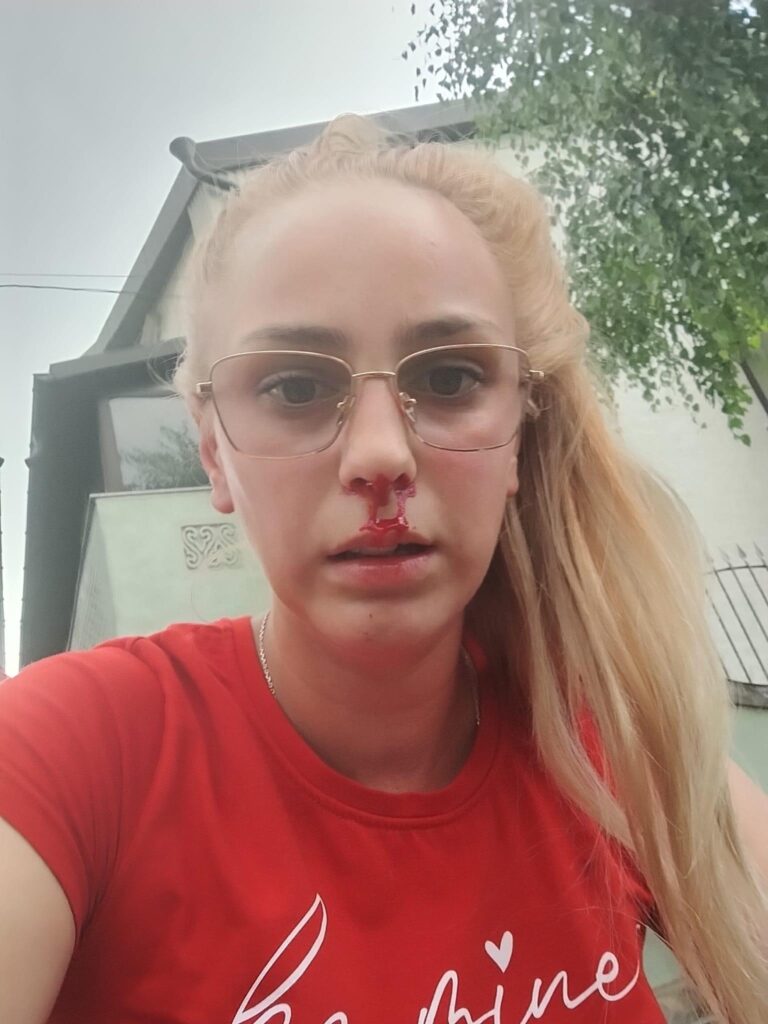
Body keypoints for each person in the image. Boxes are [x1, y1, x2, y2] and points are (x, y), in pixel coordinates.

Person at [0, 116, 766, 1024]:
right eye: (294, 387)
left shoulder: (611, 746)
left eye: (449, 379)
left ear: (519, 434)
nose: (379, 456)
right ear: (213, 453)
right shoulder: (72, 754)